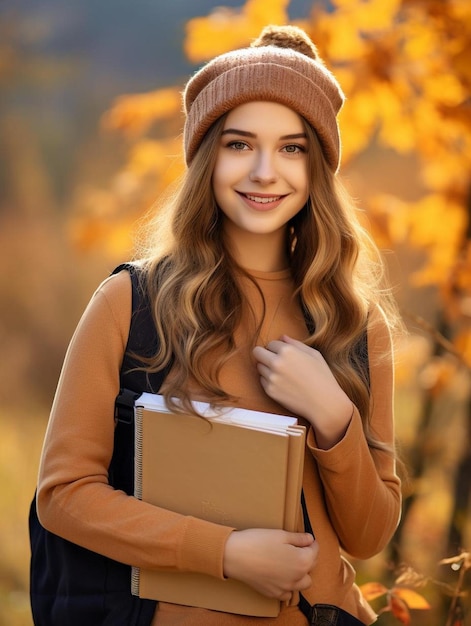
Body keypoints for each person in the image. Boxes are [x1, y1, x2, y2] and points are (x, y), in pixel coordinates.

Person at [31, 24, 402, 626]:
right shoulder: (132, 303)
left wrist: (335, 418)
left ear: (318, 168)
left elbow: (370, 534)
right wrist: (225, 553)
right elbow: (63, 496)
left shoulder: (356, 326)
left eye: (291, 147)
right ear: (207, 158)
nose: (264, 171)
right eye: (238, 144)